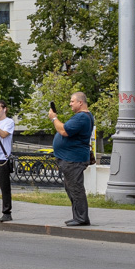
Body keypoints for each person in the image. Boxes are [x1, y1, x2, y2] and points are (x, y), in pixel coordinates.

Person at [52, 92, 96, 226]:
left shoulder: (82, 117)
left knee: (76, 188)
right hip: (71, 158)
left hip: (73, 159)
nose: (70, 104)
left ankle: (82, 218)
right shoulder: (82, 117)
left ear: (80, 103)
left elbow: (64, 130)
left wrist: (54, 118)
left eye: (72, 101)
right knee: (71, 188)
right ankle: (78, 216)